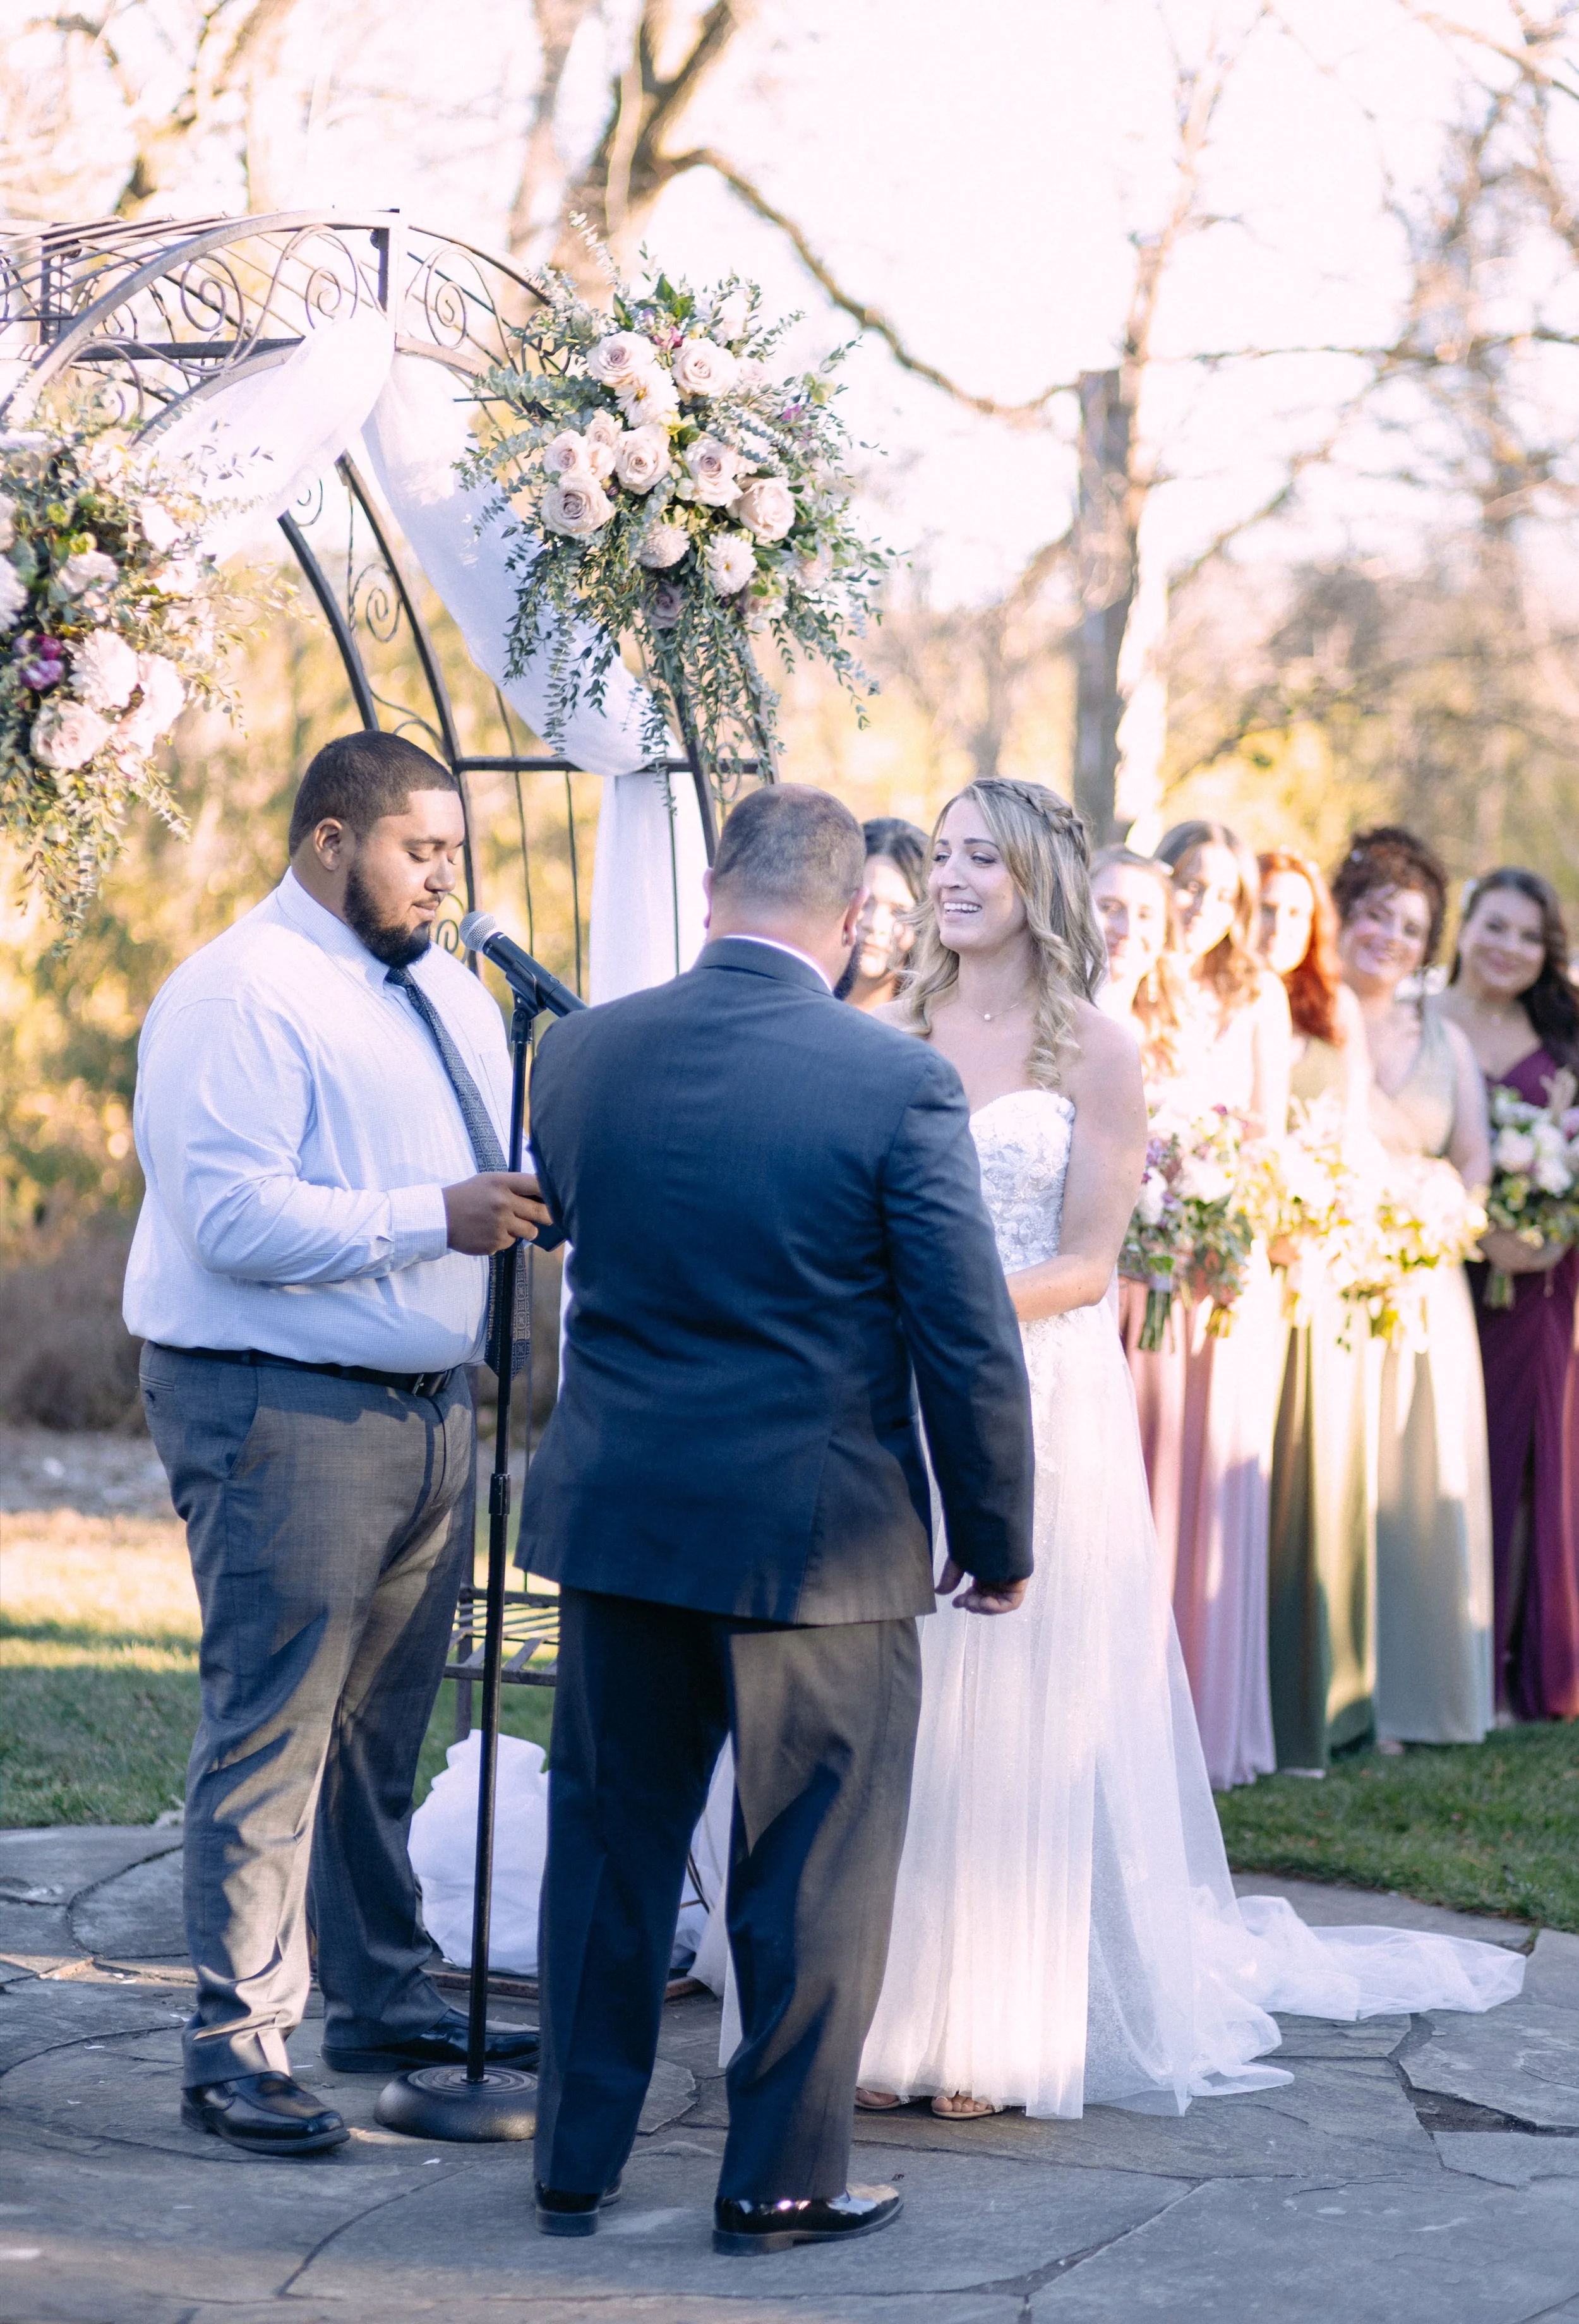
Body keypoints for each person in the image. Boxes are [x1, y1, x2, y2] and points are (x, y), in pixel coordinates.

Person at [850, 780, 1523, 2121]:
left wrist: (943, 1310)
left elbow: (1088, 1262)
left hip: (1028, 1387)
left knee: (1011, 1696)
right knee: (895, 1697)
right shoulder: (887, 1028)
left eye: (980, 855)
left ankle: (992, 2019)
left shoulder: (1093, 1045)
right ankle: (878, 2002)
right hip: (883, 1397)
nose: (950, 877)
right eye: (939, 855)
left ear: (1036, 879)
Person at [520, 784, 1035, 2253]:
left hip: (623, 1520)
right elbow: (963, 1332)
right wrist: (996, 1529)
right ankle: (780, 2177)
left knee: (609, 1849)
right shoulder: (890, 1081)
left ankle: (573, 2157)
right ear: (852, 914)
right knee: (809, 1869)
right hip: (821, 1537)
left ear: (711, 891)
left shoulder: (584, 1050)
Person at [123, 732, 547, 2157]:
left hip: (428, 1413)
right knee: (274, 1729)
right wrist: (435, 1215)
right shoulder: (239, 992)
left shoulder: (449, 990)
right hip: (277, 1405)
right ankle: (234, 2047)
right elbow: (230, 1214)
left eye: (452, 852)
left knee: (377, 1733)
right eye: (416, 849)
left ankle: (378, 1990)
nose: (444, 876)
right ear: (326, 840)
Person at [1122, 820, 1292, 1789]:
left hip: (1210, 1268)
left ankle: (1200, 1716)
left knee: (1202, 1487)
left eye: (1221, 893)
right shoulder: (1134, 979)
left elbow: (1262, 1137)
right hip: (1135, 1262)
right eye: (1188, 882)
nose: (1201, 906)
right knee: (1138, 1483)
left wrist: (1209, 1185)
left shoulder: (1254, 997)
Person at [1333, 827, 1494, 1746]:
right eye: (1376, 915)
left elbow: (1470, 1161)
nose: (1389, 936)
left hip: (1422, 1289)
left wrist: (1440, 1217)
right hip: (1326, 1277)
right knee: (1336, 1482)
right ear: (1347, 913)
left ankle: (1417, 1695)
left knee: (1414, 1486)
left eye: (1410, 925)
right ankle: (1335, 1690)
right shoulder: (1305, 1016)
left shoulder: (1449, 1043)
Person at [1438, 868, 1579, 1722]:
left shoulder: (1562, 1034)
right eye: (1496, 926)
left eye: (1530, 937)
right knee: (1445, 1459)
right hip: (1436, 1271)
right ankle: (1443, 1650)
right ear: (1464, 925)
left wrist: (1549, 1230)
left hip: (1538, 1284)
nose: (1510, 949)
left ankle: (1517, 1660)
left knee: (1526, 1460)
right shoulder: (1422, 1025)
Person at [1258, 850, 1379, 1772]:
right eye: (1264, 908)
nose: (1275, 928)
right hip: (1242, 1257)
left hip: (1314, 1265)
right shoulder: (1214, 1005)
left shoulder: (1330, 1017)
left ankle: (1309, 1703)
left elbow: (1357, 1145)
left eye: (1294, 914)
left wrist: (1328, 1217)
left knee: (1304, 1484)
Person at [1090, 842, 1185, 1074]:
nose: (1128, 930)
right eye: (1110, 908)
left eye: (1145, 915)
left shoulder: (1173, 1030)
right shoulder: (1038, 1020)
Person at [839, 815, 928, 1009]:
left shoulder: (930, 1029)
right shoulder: (793, 1001)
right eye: (862, 903)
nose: (874, 924)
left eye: (899, 913)